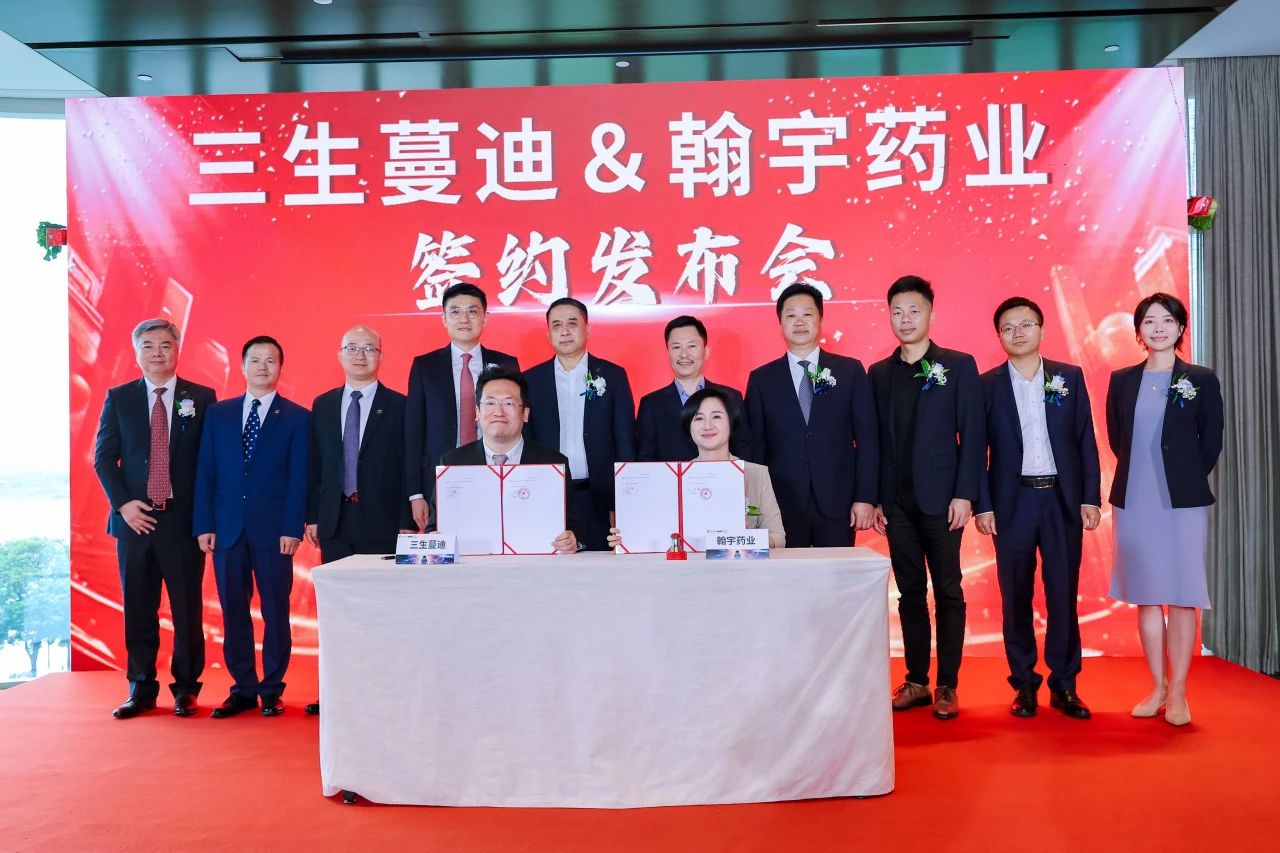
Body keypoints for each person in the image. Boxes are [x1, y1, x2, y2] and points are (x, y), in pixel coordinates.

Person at [975, 297, 1102, 720]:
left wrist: (1089, 497)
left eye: (1025, 324)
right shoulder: (986, 385)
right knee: (1016, 596)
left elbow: (1085, 440)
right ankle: (1024, 683)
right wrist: (983, 506)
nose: (1017, 333)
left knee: (1062, 593)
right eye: (1008, 327)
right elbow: (976, 452)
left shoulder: (1068, 377)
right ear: (999, 335)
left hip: (1061, 500)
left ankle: (1065, 685)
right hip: (1012, 503)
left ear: (1042, 330)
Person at [868, 275, 984, 720]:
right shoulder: (879, 373)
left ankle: (947, 684)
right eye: (897, 312)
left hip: (943, 500)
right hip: (897, 504)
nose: (905, 319)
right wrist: (877, 498)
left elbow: (973, 436)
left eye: (914, 310)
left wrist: (965, 493)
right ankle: (916, 680)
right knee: (910, 593)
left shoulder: (958, 365)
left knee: (949, 591)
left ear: (931, 315)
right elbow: (875, 442)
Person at [1106, 292, 1223, 727]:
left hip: (1182, 503)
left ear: (1180, 328)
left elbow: (1211, 441)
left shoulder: (1201, 379)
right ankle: (1157, 686)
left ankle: (1179, 692)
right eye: (1149, 321)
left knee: (1182, 594)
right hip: (1135, 500)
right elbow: (1117, 437)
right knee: (1147, 595)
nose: (1158, 328)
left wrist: (1184, 476)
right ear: (1138, 330)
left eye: (1167, 320)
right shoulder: (1122, 380)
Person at [93, 318, 217, 719]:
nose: (157, 353)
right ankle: (141, 688)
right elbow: (103, 459)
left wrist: (207, 520)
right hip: (134, 522)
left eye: (165, 345)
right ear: (136, 353)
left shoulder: (202, 397)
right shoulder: (120, 397)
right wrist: (123, 505)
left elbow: (210, 464)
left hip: (182, 523)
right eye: (148, 346)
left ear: (177, 349)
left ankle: (186, 689)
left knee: (186, 611)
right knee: (138, 608)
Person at [193, 336, 309, 718]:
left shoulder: (297, 418)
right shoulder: (218, 414)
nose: (262, 367)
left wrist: (292, 527)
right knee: (233, 612)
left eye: (270, 360)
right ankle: (242, 688)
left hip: (275, 533)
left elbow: (299, 478)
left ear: (280, 367)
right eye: (255, 360)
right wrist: (204, 523)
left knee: (276, 611)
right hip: (227, 530)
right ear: (243, 366)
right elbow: (206, 471)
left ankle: (272, 689)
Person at [303, 325, 413, 716]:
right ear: (340, 354)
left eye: (369, 348)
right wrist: (312, 516)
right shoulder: (323, 404)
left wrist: (407, 518)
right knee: (337, 611)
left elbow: (408, 466)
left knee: (382, 610)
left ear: (381, 356)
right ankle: (336, 692)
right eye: (352, 348)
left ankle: (381, 690)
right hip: (335, 521)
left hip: (383, 522)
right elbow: (316, 466)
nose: (360, 355)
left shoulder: (400, 406)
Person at [743, 282, 878, 548]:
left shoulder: (849, 371)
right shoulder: (762, 379)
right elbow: (755, 447)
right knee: (788, 574)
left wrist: (865, 498)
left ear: (820, 319)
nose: (799, 321)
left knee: (837, 573)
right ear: (780, 323)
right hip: (781, 504)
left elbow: (868, 440)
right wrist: (754, 507)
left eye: (807, 313)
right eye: (791, 315)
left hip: (839, 501)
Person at [610, 387, 785, 550]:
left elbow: (778, 537)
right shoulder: (673, 478)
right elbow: (660, 537)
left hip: (741, 569)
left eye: (716, 417)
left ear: (731, 423)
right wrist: (628, 540)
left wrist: (747, 539)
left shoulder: (756, 474)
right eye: (699, 418)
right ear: (689, 427)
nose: (707, 426)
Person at [524, 297, 636, 551]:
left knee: (600, 566)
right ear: (548, 333)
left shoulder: (612, 375)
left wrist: (622, 502)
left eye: (572, 323)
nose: (565, 331)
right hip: (548, 496)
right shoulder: (531, 379)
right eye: (557, 325)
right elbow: (526, 441)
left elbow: (625, 441)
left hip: (599, 497)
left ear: (587, 329)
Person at [405, 283, 518, 532]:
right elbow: (413, 432)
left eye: (473, 311)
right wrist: (416, 494)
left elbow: (517, 424)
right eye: (455, 311)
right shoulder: (425, 366)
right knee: (447, 548)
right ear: (444, 318)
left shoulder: (506, 364)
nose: (464, 318)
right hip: (440, 476)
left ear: (485, 317)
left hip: (496, 472)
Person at [439, 365, 580, 553]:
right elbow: (435, 529)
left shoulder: (553, 464)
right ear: (477, 412)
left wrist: (573, 541)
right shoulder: (452, 464)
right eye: (490, 403)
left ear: (525, 414)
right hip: (473, 567)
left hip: (537, 567)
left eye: (509, 403)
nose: (499, 412)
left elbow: (575, 527)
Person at [636, 315, 750, 461]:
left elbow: (744, 449)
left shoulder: (731, 397)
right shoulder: (651, 404)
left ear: (706, 352)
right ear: (668, 353)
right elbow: (646, 457)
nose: (684, 354)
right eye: (676, 347)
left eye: (691, 346)